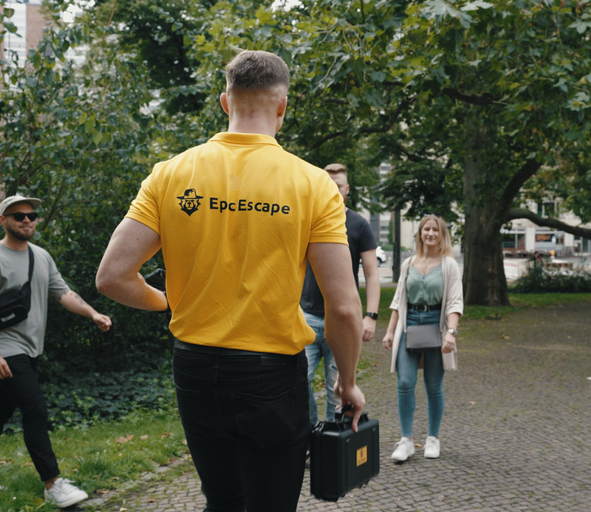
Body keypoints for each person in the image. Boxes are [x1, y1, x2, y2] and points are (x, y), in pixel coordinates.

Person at [95, 50, 365, 512]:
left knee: (222, 500)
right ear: (282, 106)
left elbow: (113, 277)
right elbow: (343, 307)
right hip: (271, 376)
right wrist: (348, 382)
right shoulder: (313, 184)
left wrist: (168, 302)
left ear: (225, 102)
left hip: (195, 368)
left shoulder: (171, 174)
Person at [0, 195, 112, 508]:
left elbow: (63, 292)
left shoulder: (40, 256)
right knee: (35, 410)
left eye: (32, 215)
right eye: (19, 216)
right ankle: (53, 484)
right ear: (3, 220)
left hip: (30, 349)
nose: (27, 220)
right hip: (5, 348)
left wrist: (93, 313)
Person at [301, 163, 380, 426]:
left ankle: (333, 439)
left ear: (347, 189)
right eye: (328, 185)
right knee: (299, 382)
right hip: (307, 318)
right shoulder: (307, 218)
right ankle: (312, 435)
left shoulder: (359, 224)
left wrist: (370, 316)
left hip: (342, 322)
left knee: (340, 389)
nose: (333, 190)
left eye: (338, 186)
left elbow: (371, 274)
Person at [382, 214, 463, 461]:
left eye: (435, 230)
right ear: (420, 233)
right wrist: (389, 330)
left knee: (433, 386)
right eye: (426, 229)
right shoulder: (409, 263)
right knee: (405, 383)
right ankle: (406, 440)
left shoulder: (449, 265)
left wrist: (451, 332)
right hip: (409, 327)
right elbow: (398, 301)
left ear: (441, 235)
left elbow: (454, 302)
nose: (430, 233)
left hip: (436, 328)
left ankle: (433, 439)